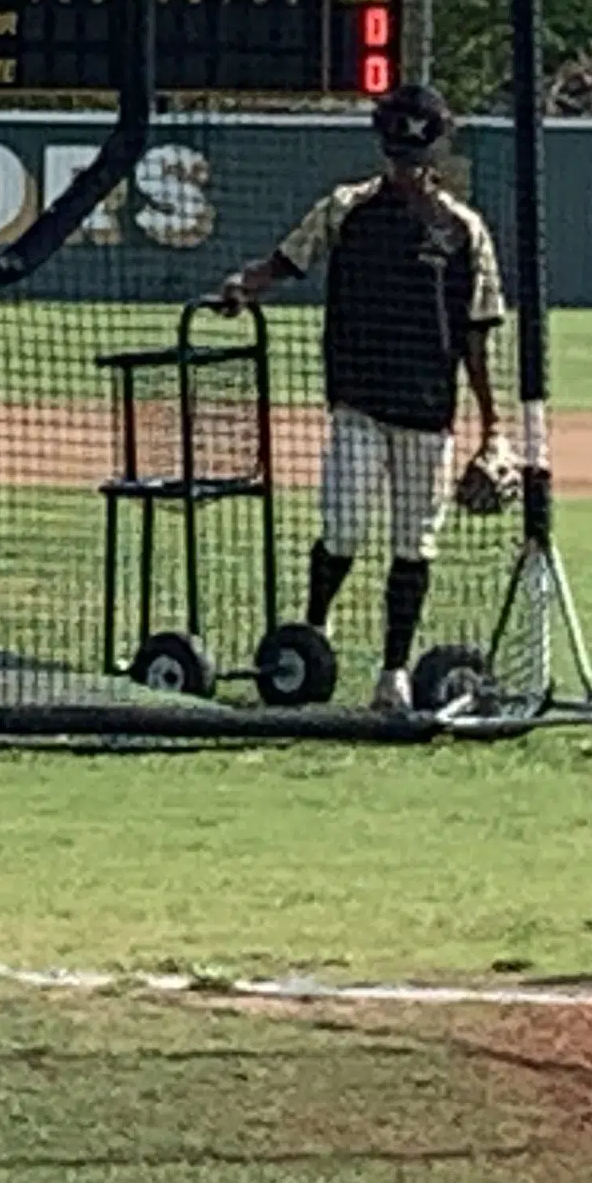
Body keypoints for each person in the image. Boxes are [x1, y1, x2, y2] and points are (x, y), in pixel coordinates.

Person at [217, 84, 504, 713]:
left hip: (428, 409)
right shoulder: (346, 209)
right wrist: (246, 287)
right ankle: (313, 635)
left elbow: (478, 334)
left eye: (417, 151)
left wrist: (493, 430)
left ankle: (394, 670)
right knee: (342, 524)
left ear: (435, 151)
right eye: (399, 151)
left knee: (415, 542)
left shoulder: (463, 230)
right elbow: (290, 259)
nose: (408, 164)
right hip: (359, 399)